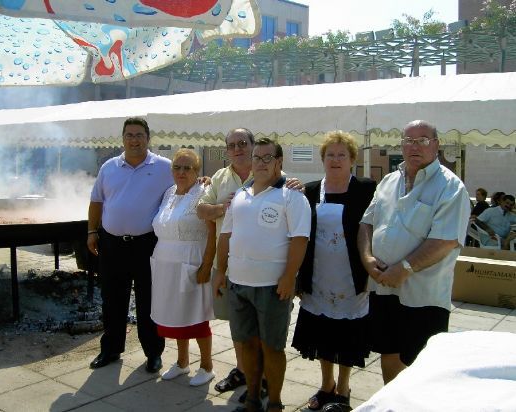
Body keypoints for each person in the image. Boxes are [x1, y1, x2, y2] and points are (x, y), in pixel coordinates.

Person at [358, 120, 470, 385]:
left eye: (423, 140)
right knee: (389, 352)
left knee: (422, 365)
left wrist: (404, 269)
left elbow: (444, 241)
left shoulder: (450, 187)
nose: (414, 146)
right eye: (408, 141)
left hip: (422, 296)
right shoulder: (388, 180)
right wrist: (367, 259)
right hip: (384, 288)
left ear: (436, 145)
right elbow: (366, 223)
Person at [196, 128, 302, 400]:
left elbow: (299, 236)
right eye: (231, 145)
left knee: (269, 342)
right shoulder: (221, 179)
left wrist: (290, 275)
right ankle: (245, 375)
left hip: (269, 280)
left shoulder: (285, 186)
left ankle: (268, 389)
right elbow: (203, 212)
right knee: (242, 333)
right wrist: (223, 208)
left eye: (243, 143)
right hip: (232, 272)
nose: (237, 149)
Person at [292, 131, 376, 412]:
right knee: (321, 334)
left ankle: (343, 387)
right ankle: (326, 384)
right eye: (330, 155)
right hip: (318, 276)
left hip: (351, 277)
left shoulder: (366, 188)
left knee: (346, 337)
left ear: (352, 159)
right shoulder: (311, 189)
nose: (336, 160)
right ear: (323, 159)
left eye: (342, 155)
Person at [87, 117, 173, 372]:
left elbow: (184, 186)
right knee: (112, 299)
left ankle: (153, 353)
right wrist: (92, 231)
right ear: (122, 138)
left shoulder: (164, 167)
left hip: (148, 244)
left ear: (148, 138)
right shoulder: (109, 167)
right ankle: (111, 349)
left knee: (149, 301)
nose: (134, 140)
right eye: (129, 135)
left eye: (139, 135)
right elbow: (96, 201)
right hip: (111, 244)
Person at [150, 148, 216, 386]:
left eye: (187, 167)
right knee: (177, 315)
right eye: (177, 167)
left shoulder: (204, 192)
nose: (181, 172)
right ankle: (182, 362)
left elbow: (212, 233)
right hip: (165, 263)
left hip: (192, 261)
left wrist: (207, 266)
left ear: (197, 171)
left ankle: (207, 366)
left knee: (196, 317)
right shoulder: (168, 193)